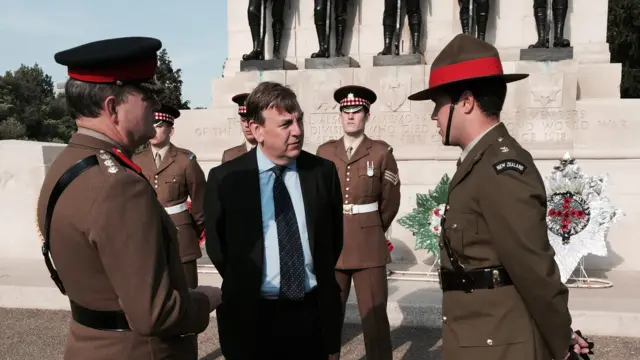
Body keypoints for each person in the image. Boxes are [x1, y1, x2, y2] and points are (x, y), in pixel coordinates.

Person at [406, 33, 593, 360]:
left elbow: (532, 266)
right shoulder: (480, 161)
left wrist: (560, 338)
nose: (433, 115)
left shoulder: (501, 168)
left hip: (498, 342)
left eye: (438, 104)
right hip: (477, 334)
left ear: (465, 102)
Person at [36, 37, 220, 360]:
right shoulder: (120, 187)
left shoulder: (63, 167)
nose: (155, 106)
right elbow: (155, 314)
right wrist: (205, 300)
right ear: (112, 108)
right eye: (147, 95)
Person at [204, 81, 344, 360]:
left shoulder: (322, 172)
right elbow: (219, 249)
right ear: (257, 131)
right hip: (251, 317)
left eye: (298, 120)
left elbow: (332, 240)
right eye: (285, 124)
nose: (297, 131)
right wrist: (247, 281)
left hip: (309, 315)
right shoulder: (226, 179)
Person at [316, 85, 401, 360]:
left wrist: (372, 228)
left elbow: (390, 201)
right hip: (334, 247)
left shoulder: (380, 152)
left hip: (369, 247)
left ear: (367, 114)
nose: (350, 116)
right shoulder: (325, 152)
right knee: (328, 318)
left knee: (374, 321)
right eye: (345, 111)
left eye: (356, 111)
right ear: (339, 115)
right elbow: (317, 197)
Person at [133, 104, 206, 289]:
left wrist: (192, 231)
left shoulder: (185, 160)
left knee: (187, 292)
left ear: (171, 130)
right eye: (151, 124)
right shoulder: (136, 160)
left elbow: (199, 203)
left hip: (181, 236)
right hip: (147, 234)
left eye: (159, 125)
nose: (154, 130)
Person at [221, 92, 258, 163]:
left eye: (251, 120)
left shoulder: (271, 153)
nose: (247, 125)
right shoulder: (230, 156)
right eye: (243, 120)